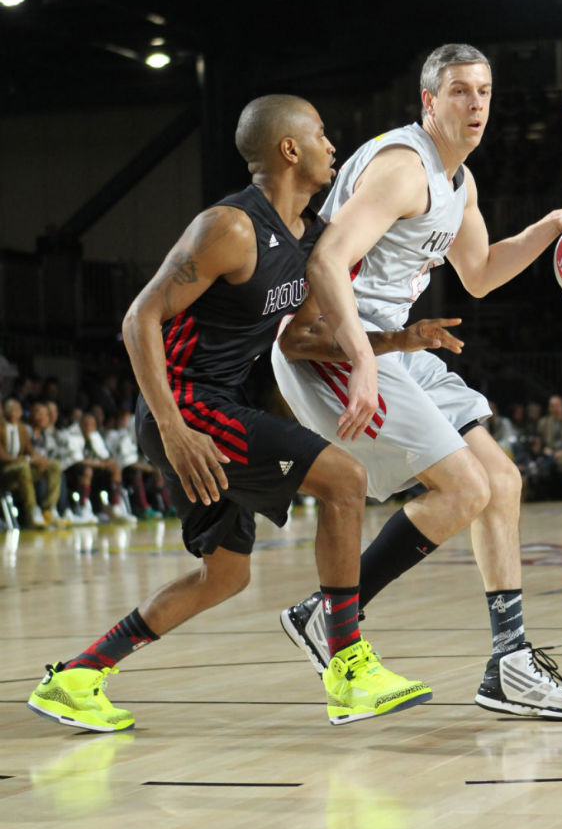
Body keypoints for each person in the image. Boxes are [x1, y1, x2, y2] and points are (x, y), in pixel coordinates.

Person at [27, 93, 432, 733]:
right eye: (322, 134)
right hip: (184, 408)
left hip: (217, 408)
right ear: (289, 149)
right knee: (345, 480)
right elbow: (140, 319)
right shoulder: (231, 228)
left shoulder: (313, 240)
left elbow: (299, 341)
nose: (334, 145)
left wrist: (393, 343)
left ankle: (79, 677)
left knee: (225, 576)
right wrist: (171, 426)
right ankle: (348, 665)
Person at [273, 43, 562, 721]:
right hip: (331, 343)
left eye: (484, 91)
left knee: (501, 482)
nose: (475, 104)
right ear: (428, 102)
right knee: (464, 488)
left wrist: (551, 226)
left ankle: (509, 665)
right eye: (460, 91)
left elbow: (480, 272)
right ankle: (328, 615)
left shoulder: (456, 180)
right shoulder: (403, 169)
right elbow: (325, 261)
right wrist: (360, 358)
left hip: (397, 344)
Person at [0, 397, 62, 528]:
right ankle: (32, 510)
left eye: (17, 409)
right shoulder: (1, 428)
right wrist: (27, 459)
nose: (14, 412)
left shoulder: (22, 429)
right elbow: (3, 456)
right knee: (24, 466)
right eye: (11, 409)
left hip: (23, 468)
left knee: (54, 465)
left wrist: (38, 460)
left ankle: (49, 508)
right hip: (5, 471)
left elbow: (29, 450)